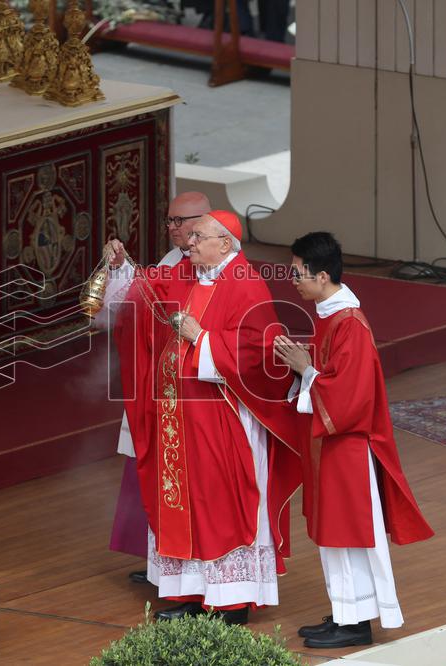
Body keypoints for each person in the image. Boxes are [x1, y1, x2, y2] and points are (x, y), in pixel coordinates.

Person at [106, 210, 301, 625]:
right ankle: (193, 594)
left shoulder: (247, 284)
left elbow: (259, 352)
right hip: (185, 422)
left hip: (225, 420)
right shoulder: (192, 275)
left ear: (225, 243)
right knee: (189, 502)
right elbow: (148, 292)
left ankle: (230, 602)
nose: (188, 243)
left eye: (197, 236)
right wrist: (122, 265)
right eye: (189, 236)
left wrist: (204, 340)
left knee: (221, 504)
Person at [273, 231, 434, 648]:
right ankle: (345, 612)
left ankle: (357, 622)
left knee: (350, 534)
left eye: (297, 273)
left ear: (322, 275)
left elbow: (350, 397)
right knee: (333, 533)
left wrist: (306, 370)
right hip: (331, 445)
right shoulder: (330, 313)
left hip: (348, 445)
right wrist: (301, 371)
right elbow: (325, 379)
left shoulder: (350, 325)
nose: (292, 280)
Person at [106, 191, 212, 584]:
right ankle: (160, 567)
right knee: (150, 474)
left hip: (193, 390)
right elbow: (140, 297)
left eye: (180, 222)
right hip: (158, 380)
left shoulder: (219, 264)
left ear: (204, 221)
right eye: (168, 221)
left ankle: (186, 573)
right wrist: (121, 267)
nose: (173, 229)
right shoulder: (172, 260)